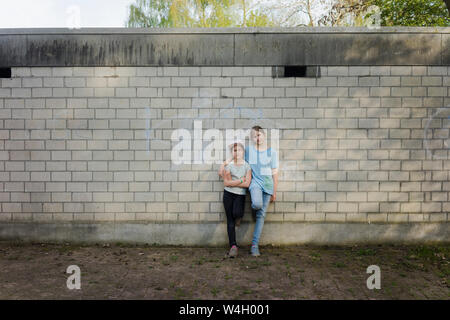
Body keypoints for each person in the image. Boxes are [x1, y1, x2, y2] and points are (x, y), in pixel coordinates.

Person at [245, 125, 278, 257]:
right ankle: (255, 208)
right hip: (255, 183)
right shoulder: (248, 150)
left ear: (263, 135)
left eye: (258, 135)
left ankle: (254, 245)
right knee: (257, 205)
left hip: (268, 185)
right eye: (254, 136)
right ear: (251, 139)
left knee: (261, 216)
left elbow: (275, 173)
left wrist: (274, 191)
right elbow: (242, 164)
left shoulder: (272, 152)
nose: (256, 138)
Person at [218, 141, 252, 258]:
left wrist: (234, 183)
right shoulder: (229, 165)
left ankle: (239, 218)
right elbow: (226, 183)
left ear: (243, 152)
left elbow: (247, 184)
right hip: (228, 194)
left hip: (240, 195)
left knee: (237, 213)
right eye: (235, 150)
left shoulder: (247, 166)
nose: (237, 152)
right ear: (232, 153)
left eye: (240, 150)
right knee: (230, 221)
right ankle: (233, 246)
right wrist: (240, 180)